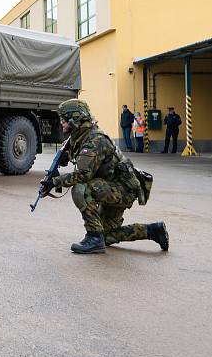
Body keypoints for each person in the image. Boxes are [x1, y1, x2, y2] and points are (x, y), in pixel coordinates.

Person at [49, 99, 168, 254]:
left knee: (82, 189)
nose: (61, 123)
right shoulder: (79, 136)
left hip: (123, 189)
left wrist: (54, 182)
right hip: (113, 186)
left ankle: (93, 238)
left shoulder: (94, 140)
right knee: (108, 236)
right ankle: (153, 231)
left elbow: (83, 175)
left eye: (64, 119)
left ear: (75, 119)